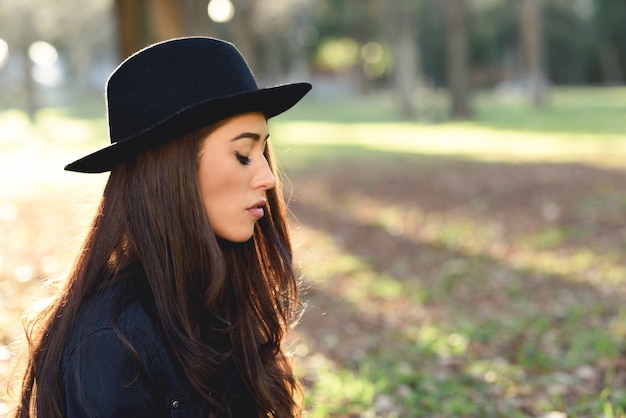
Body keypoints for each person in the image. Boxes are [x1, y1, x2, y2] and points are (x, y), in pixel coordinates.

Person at [15, 37, 311, 417]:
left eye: (263, 151)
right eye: (242, 155)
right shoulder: (112, 344)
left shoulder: (219, 296)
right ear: (172, 173)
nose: (268, 178)